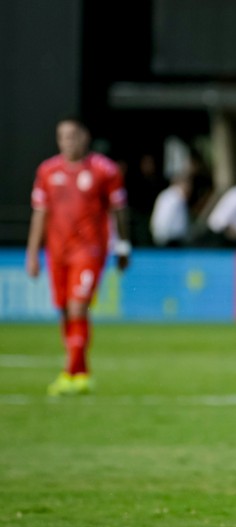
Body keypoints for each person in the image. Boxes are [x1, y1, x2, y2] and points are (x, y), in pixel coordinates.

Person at [25, 116, 132, 395]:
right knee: (64, 310)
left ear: (85, 136)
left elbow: (119, 210)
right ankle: (81, 373)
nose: (68, 141)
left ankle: (69, 371)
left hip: (89, 250)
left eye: (73, 135)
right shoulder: (47, 171)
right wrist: (33, 252)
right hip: (57, 251)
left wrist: (123, 246)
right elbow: (40, 213)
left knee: (77, 307)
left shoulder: (104, 170)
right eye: (62, 136)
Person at [149, 171, 192, 247]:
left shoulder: (168, 195)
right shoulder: (175, 198)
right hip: (169, 240)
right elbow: (164, 218)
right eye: (188, 184)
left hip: (167, 237)